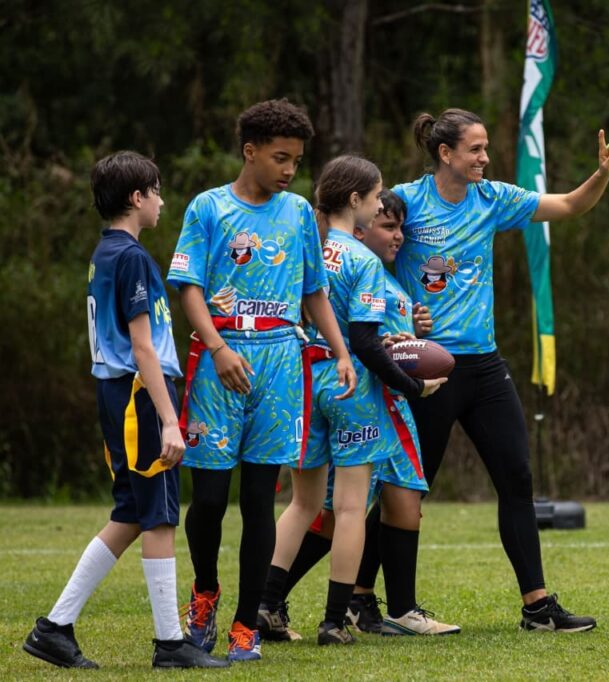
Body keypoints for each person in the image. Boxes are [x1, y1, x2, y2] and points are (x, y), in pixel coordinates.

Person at [391, 108, 609, 631]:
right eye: (475, 149)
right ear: (445, 153)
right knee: (407, 489)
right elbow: (361, 247)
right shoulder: (405, 202)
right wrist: (399, 311)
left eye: (486, 147)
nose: (485, 157)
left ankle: (537, 607)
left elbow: (568, 205)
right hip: (427, 368)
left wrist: (603, 173)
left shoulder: (492, 198)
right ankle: (366, 600)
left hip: (485, 366)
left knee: (516, 477)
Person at [23, 151, 227, 670]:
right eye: (156, 192)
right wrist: (169, 420)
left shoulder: (106, 252)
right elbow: (142, 348)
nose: (162, 201)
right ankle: (169, 642)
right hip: (138, 396)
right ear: (137, 198)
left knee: (132, 513)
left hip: (119, 396)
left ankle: (54, 628)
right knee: (157, 515)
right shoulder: (133, 257)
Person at [169, 99, 355, 661]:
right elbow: (189, 287)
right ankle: (204, 595)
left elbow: (314, 291)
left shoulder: (299, 212)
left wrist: (341, 352)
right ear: (249, 151)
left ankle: (246, 625)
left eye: (296, 160)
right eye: (280, 157)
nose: (290, 170)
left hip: (278, 362)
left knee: (258, 500)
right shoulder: (208, 209)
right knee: (206, 500)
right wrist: (220, 348)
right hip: (220, 362)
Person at [259, 156, 446, 646]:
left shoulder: (311, 250)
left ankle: (265, 604)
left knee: (301, 504)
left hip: (306, 379)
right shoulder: (363, 261)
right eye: (378, 194)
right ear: (356, 200)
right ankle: (334, 621)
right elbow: (364, 341)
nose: (382, 202)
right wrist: (412, 386)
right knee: (347, 509)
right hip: (351, 386)